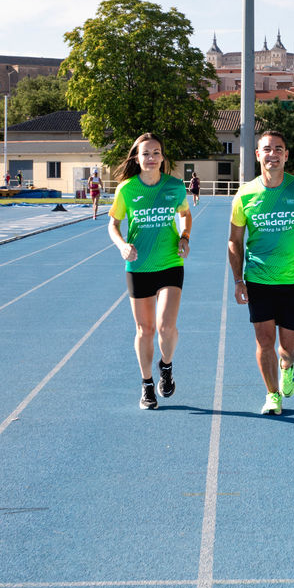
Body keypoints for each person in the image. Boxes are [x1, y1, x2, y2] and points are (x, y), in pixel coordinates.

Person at [228, 130, 294, 415]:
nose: (273, 154)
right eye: (267, 149)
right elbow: (234, 240)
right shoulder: (245, 194)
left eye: (279, 149)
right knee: (264, 342)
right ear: (258, 155)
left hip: (293, 280)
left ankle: (287, 367)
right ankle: (272, 395)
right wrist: (238, 280)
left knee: (290, 348)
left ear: (286, 155)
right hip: (258, 279)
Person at [108, 134, 192, 410]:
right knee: (145, 330)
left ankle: (165, 366)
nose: (152, 158)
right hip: (138, 266)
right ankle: (146, 385)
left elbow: (185, 214)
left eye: (157, 153)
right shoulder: (126, 190)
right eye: (146, 153)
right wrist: (122, 246)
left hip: (169, 263)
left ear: (162, 157)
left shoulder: (174, 187)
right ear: (137, 157)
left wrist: (185, 237)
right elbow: (113, 224)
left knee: (166, 327)